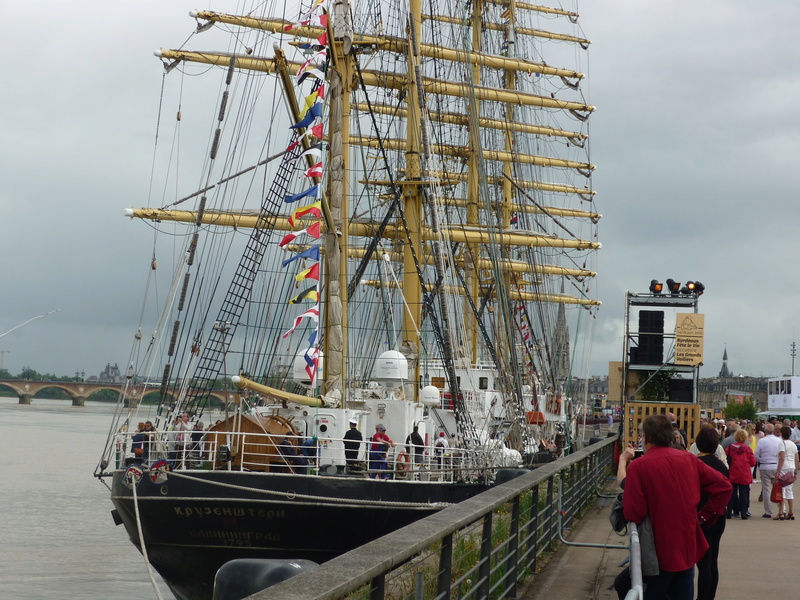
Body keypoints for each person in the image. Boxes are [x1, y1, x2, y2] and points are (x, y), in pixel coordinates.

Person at [622, 415, 731, 600]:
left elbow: (634, 512)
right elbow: (724, 486)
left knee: (631, 587)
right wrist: (704, 516)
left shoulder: (639, 466)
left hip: (657, 549)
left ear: (646, 437)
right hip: (687, 544)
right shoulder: (689, 459)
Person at [694, 426, 729, 600]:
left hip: (702, 517)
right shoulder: (721, 465)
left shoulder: (697, 464)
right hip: (718, 517)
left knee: (703, 564)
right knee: (712, 562)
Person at [724, 428, 756, 520]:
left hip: (733, 473)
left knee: (732, 494)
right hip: (744, 474)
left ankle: (729, 512)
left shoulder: (729, 448)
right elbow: (753, 462)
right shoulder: (748, 449)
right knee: (744, 494)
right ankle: (743, 513)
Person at [755, 423, 781, 518]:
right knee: (778, 488)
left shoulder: (762, 441)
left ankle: (768, 511)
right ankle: (782, 509)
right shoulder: (779, 441)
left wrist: (762, 461)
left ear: (765, 431)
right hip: (776, 466)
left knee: (766, 489)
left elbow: (756, 454)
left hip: (765, 466)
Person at [774, 425, 798, 520]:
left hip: (784, 467)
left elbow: (782, 458)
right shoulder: (793, 444)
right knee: (789, 490)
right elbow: (797, 459)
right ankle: (791, 512)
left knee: (781, 490)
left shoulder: (782, 443)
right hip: (791, 467)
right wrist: (796, 468)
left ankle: (781, 512)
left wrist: (778, 471)